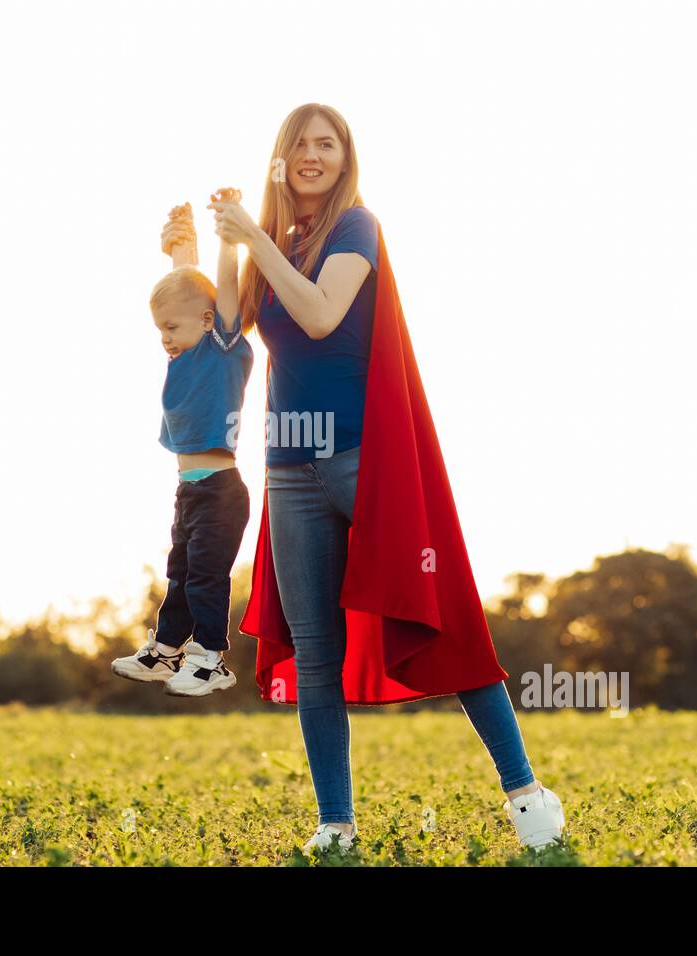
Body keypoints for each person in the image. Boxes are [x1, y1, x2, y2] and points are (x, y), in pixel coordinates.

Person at [208, 103, 566, 854]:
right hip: (289, 469)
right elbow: (226, 329)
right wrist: (218, 245)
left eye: (326, 144)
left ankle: (527, 797)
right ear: (281, 157)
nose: (312, 156)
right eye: (300, 145)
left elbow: (318, 315)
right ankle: (335, 824)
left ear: (345, 157)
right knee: (314, 654)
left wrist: (254, 242)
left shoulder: (356, 228)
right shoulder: (276, 240)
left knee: (441, 617)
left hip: (365, 462)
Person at [110, 194, 252, 697]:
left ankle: (211, 658)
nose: (165, 339)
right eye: (160, 330)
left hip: (220, 489)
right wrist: (180, 243)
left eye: (170, 329)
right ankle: (166, 650)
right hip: (190, 489)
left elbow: (216, 295)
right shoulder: (188, 351)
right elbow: (186, 294)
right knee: (181, 574)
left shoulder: (223, 347)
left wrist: (227, 239)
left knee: (205, 579)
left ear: (210, 322)